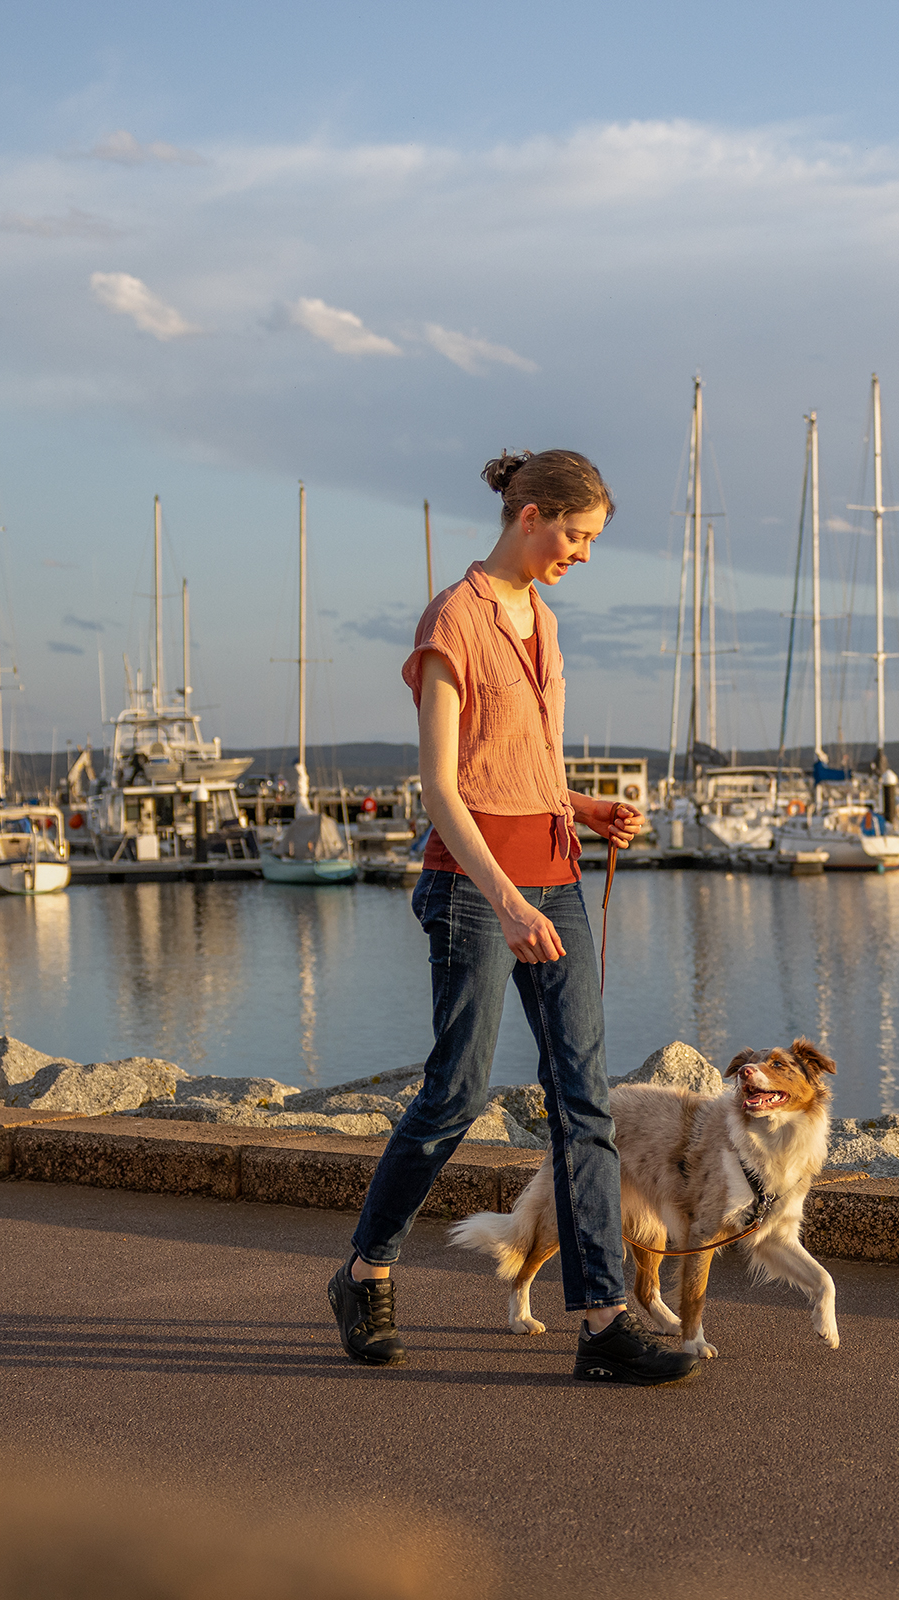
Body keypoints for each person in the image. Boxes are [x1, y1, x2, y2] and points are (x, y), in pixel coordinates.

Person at [329, 448, 700, 1387]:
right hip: (476, 888)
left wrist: (579, 806)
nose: (582, 554)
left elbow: (521, 762)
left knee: (586, 1102)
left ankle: (603, 1323)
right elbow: (446, 790)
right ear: (530, 515)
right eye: (576, 536)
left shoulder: (545, 618)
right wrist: (507, 899)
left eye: (589, 541)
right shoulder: (452, 620)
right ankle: (365, 1269)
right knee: (455, 1094)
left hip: (560, 879)